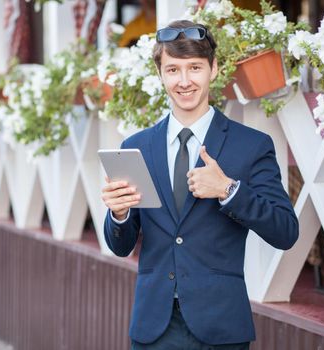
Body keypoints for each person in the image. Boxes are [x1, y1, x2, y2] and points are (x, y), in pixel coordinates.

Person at [102, 19, 299, 350]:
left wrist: (228, 191)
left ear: (214, 69)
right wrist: (118, 215)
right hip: (154, 328)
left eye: (194, 68)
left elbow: (286, 231)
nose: (183, 81)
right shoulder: (136, 146)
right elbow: (120, 246)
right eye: (173, 70)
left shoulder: (251, 145)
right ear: (161, 74)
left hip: (221, 327)